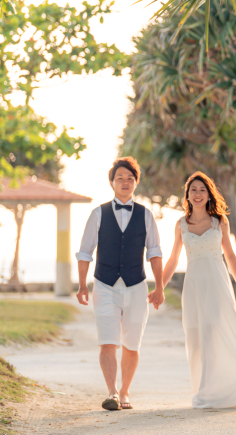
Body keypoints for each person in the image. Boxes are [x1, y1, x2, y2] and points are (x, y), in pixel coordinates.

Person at [162, 171, 236, 409]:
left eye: (202, 190)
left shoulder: (219, 221)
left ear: (209, 194)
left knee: (213, 334)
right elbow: (173, 260)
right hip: (194, 286)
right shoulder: (181, 224)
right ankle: (203, 388)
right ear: (187, 195)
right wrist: (160, 287)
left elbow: (230, 254)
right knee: (196, 338)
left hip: (217, 284)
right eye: (193, 190)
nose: (198, 194)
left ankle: (213, 392)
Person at [75, 157, 165, 411]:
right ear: (112, 182)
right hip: (104, 286)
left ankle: (125, 391)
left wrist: (159, 287)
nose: (125, 182)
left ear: (136, 182)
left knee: (131, 344)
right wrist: (82, 285)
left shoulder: (146, 215)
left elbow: (155, 252)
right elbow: (85, 252)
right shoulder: (98, 214)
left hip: (137, 287)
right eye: (120, 178)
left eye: (130, 178)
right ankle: (112, 392)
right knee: (107, 341)